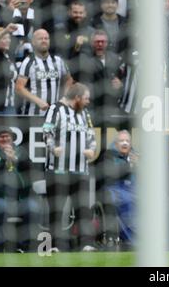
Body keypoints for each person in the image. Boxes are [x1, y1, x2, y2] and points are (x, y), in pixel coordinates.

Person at [42, 82, 97, 252]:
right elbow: (46, 131)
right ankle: (54, 246)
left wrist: (91, 149)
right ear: (77, 98)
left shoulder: (84, 113)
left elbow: (91, 135)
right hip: (58, 170)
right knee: (57, 210)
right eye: (86, 98)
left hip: (80, 170)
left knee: (83, 210)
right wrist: (53, 148)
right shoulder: (56, 109)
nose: (88, 101)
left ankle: (86, 243)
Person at [0, 126, 41, 252]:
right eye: (1, 137)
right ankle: (0, 245)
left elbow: (31, 169)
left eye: (7, 136)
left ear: (12, 138)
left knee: (33, 207)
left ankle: (23, 246)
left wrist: (15, 159)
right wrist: (5, 161)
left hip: (21, 198)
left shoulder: (21, 151)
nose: (5, 139)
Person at [15, 29, 74, 116]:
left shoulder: (58, 61)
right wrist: (38, 101)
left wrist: (65, 98)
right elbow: (19, 88)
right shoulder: (28, 62)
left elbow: (69, 79)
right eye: (40, 39)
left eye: (46, 38)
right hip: (33, 114)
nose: (44, 41)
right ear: (33, 42)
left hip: (55, 114)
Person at [98, 130, 137, 247]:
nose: (125, 143)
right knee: (127, 201)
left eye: (127, 141)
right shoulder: (108, 155)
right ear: (116, 143)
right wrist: (129, 165)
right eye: (122, 141)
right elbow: (110, 174)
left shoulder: (135, 156)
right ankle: (131, 240)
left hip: (134, 189)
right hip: (114, 188)